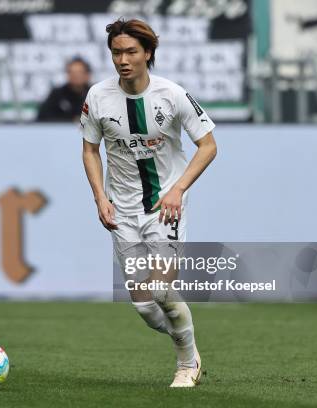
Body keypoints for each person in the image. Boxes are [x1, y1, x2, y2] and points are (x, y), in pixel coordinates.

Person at [81, 18, 217, 388]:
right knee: (144, 306)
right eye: (116, 52)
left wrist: (178, 190)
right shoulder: (97, 97)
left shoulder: (172, 95)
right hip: (122, 211)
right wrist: (100, 198)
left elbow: (208, 146)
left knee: (162, 291)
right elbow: (90, 150)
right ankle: (181, 334)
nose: (122, 60)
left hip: (164, 208)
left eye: (131, 52)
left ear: (148, 54)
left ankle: (187, 364)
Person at [37, 57, 91, 122]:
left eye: (79, 72)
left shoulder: (95, 95)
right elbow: (42, 116)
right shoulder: (57, 94)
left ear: (87, 75)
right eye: (72, 72)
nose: (75, 76)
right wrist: (69, 120)